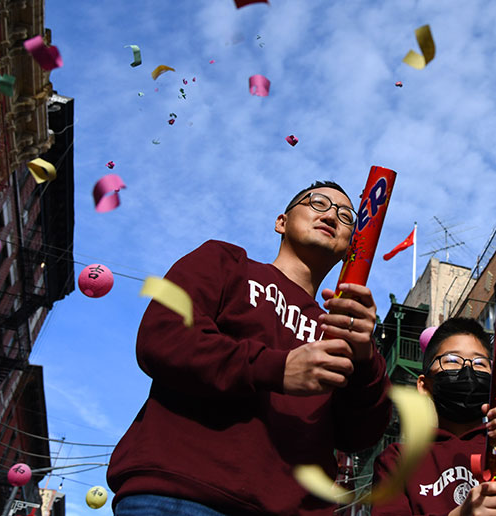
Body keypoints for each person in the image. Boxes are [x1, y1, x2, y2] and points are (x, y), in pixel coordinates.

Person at [107, 181, 392, 516]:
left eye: (346, 216)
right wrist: (276, 368)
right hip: (184, 495)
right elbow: (164, 338)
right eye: (317, 203)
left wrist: (365, 361)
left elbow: (360, 434)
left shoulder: (341, 329)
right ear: (281, 222)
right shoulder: (226, 263)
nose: (331, 215)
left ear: (350, 247)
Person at [372, 317, 496, 516]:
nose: (467, 369)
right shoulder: (397, 460)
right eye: (451, 360)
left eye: (480, 363)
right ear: (424, 386)